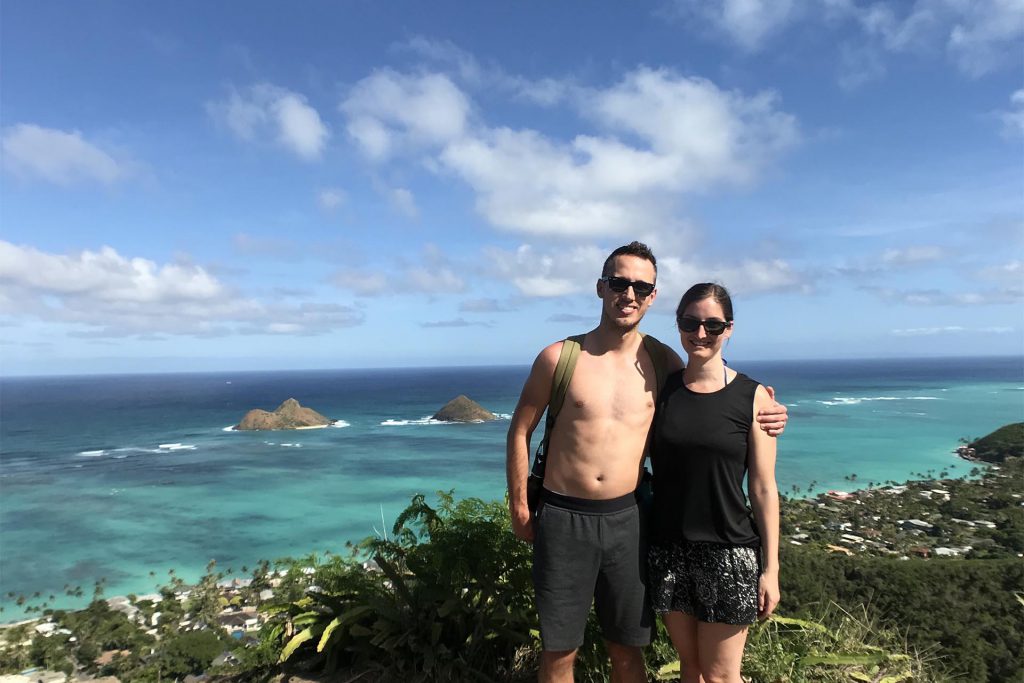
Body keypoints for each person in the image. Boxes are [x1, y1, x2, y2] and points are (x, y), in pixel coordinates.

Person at [506, 243, 787, 683]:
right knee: (559, 654)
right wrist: (520, 505)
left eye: (642, 286)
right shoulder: (559, 358)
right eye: (620, 283)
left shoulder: (661, 362)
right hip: (564, 516)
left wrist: (763, 402)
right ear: (602, 287)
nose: (629, 293)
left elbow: (709, 386)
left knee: (627, 650)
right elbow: (519, 430)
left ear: (653, 297)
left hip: (630, 520)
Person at [647, 283, 779, 683]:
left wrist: (770, 569)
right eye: (690, 322)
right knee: (691, 668)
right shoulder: (660, 389)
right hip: (668, 548)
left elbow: (762, 488)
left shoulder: (752, 396)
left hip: (729, 551)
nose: (700, 333)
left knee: (722, 675)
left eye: (712, 325)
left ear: (729, 329)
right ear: (679, 324)